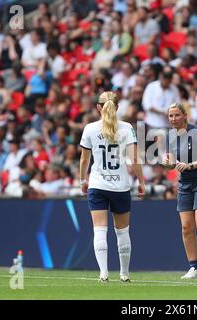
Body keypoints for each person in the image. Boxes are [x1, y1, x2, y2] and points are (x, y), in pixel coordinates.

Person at [79, 91, 145, 283]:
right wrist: (141, 181)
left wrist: (83, 180)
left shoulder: (90, 129)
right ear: (117, 107)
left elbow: (85, 159)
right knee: (122, 231)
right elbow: (134, 159)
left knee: (99, 230)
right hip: (120, 186)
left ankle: (103, 273)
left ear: (98, 107)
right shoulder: (127, 128)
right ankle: (124, 273)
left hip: (98, 184)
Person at [162, 102, 197, 280]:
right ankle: (194, 268)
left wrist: (190, 165)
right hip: (185, 183)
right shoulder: (170, 136)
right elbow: (170, 160)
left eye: (177, 115)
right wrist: (168, 162)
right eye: (170, 116)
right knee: (186, 227)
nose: (173, 119)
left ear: (185, 116)